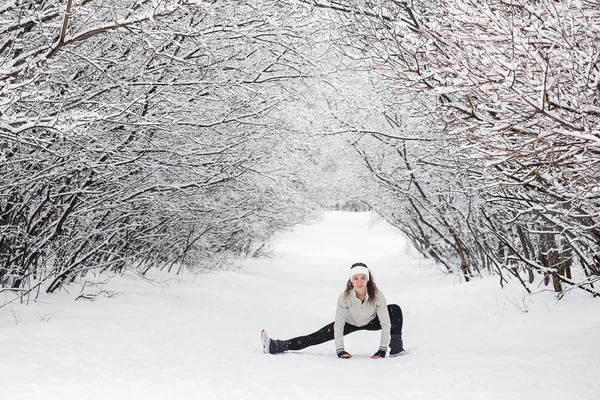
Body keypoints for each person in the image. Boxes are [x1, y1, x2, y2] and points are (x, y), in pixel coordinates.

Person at [261, 262, 406, 358]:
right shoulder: (344, 297)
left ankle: (396, 348)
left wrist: (382, 349)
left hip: (373, 321)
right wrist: (340, 350)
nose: (360, 282)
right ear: (351, 280)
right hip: (350, 323)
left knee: (394, 309)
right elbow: (339, 324)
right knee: (315, 337)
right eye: (355, 278)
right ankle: (276, 346)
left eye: (363, 278)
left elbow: (386, 323)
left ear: (368, 279)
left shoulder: (377, 295)